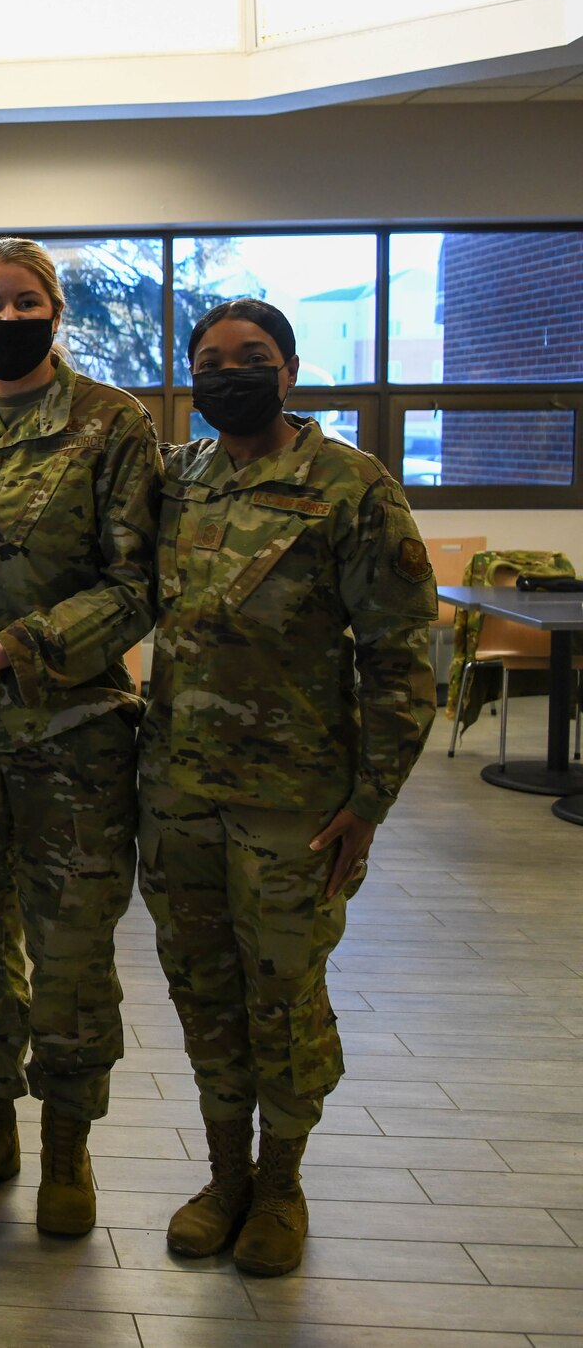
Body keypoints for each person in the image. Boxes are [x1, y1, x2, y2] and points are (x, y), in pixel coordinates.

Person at [141, 299, 435, 1275]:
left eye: (250, 358)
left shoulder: (349, 486)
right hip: (177, 794)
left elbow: (398, 660)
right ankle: (223, 1173)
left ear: (289, 371)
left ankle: (279, 1183)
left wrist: (369, 800)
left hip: (292, 804)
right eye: (211, 361)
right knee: (202, 990)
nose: (230, 374)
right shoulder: (177, 482)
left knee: (283, 996)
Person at [0, 237, 160, 1236]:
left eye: (24, 302)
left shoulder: (110, 423)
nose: (4, 317)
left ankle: (64, 1148)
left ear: (55, 313)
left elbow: (136, 586)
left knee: (71, 953)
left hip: (74, 736)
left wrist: (23, 646)